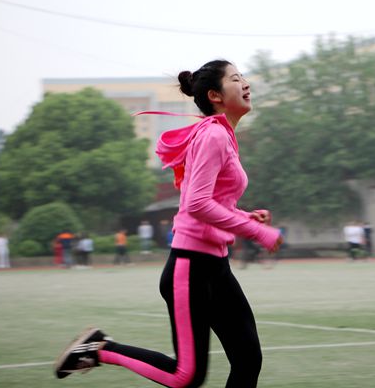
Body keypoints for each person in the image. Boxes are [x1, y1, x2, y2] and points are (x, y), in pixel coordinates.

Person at [55, 60, 283, 387]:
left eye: (243, 77)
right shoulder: (214, 136)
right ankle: (98, 349)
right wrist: (256, 230)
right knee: (185, 377)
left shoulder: (223, 135)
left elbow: (206, 201)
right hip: (190, 268)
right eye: (236, 79)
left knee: (248, 359)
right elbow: (197, 204)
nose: (246, 83)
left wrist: (247, 217)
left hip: (215, 266)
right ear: (215, 95)